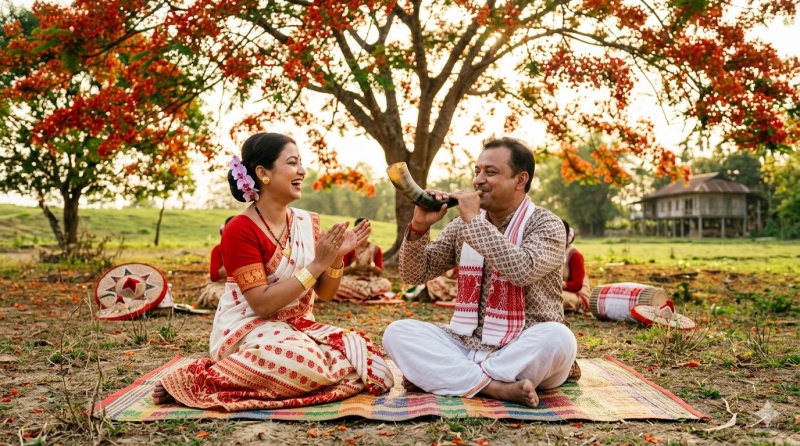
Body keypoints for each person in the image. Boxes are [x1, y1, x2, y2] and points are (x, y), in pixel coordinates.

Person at [152, 132, 393, 410]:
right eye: (292, 162)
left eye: (301, 162)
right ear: (262, 173)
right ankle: (202, 378)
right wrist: (316, 265)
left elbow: (325, 294)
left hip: (297, 329)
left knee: (369, 360)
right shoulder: (239, 229)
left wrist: (336, 259)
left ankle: (296, 373)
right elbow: (262, 303)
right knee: (300, 361)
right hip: (248, 328)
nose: (302, 170)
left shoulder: (307, 223)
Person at [382, 136, 579, 408]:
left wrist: (474, 221)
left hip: (525, 344)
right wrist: (419, 226)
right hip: (468, 342)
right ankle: (494, 387)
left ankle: (450, 376)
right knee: (397, 332)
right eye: (477, 171)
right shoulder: (464, 224)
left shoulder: (546, 224)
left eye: (491, 172)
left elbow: (522, 269)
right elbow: (414, 275)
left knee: (559, 338)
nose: (478, 180)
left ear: (521, 180)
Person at [335, 218, 392, 302]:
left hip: (369, 281)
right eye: (360, 229)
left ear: (369, 231)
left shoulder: (375, 249)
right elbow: (341, 272)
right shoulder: (348, 247)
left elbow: (379, 273)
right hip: (352, 281)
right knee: (339, 284)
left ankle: (358, 294)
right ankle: (368, 295)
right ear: (355, 230)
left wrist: (371, 265)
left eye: (366, 230)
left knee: (386, 283)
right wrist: (353, 266)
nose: (363, 232)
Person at [196, 216, 235, 309]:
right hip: (220, 284)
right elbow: (213, 276)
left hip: (242, 284)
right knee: (219, 296)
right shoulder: (218, 249)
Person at [561, 220, 591, 313]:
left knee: (553, 299)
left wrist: (560, 284)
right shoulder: (550, 252)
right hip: (558, 291)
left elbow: (577, 285)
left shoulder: (574, 254)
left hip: (577, 295)